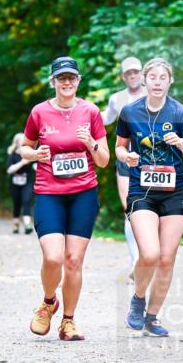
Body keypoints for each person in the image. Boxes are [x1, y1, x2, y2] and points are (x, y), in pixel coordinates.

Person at [20, 57, 109, 341]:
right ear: (53, 82)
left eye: (71, 78)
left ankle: (68, 321)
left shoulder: (91, 112)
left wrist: (90, 143)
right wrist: (35, 155)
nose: (67, 82)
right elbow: (25, 148)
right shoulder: (39, 112)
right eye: (61, 78)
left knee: (73, 261)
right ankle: (48, 302)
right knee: (53, 257)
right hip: (49, 192)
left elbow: (104, 160)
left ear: (79, 80)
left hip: (83, 193)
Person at [115, 57, 183, 337]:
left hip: (175, 191)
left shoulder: (180, 113)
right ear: (144, 80)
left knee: (166, 259)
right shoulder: (130, 112)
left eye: (162, 77)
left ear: (170, 81)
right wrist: (126, 156)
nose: (156, 82)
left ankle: (152, 318)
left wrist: (182, 145)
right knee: (149, 253)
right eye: (151, 77)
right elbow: (118, 147)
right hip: (143, 190)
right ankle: (138, 300)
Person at [103, 56, 145, 279]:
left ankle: (149, 257)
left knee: (151, 209)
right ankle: (136, 260)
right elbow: (104, 120)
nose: (133, 76)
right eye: (128, 73)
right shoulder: (117, 99)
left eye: (136, 72)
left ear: (142, 74)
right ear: (123, 76)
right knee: (130, 210)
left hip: (152, 159)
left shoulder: (154, 94)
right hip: (125, 157)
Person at [6, 132, 35, 234]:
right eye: (21, 140)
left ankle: (27, 225)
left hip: (27, 182)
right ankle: (16, 225)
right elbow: (9, 170)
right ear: (17, 143)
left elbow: (36, 166)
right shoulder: (12, 155)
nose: (24, 142)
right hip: (14, 183)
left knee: (26, 201)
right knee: (17, 203)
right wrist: (22, 162)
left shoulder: (30, 153)